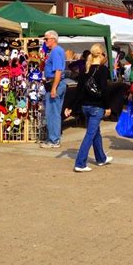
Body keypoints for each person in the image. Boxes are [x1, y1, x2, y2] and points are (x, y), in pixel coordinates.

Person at [64, 44, 112, 172]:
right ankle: (80, 163)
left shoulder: (86, 69)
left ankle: (101, 158)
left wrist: (70, 107)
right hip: (97, 107)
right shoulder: (103, 70)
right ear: (101, 54)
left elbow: (79, 91)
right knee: (90, 134)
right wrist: (107, 107)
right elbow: (104, 90)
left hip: (85, 106)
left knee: (96, 132)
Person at [41, 30, 67, 148]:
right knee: (53, 112)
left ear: (53, 39)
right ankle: (52, 138)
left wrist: (54, 88)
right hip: (53, 83)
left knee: (52, 113)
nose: (44, 41)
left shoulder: (56, 51)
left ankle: (54, 140)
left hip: (55, 84)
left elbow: (58, 71)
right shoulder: (56, 51)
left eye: (46, 39)